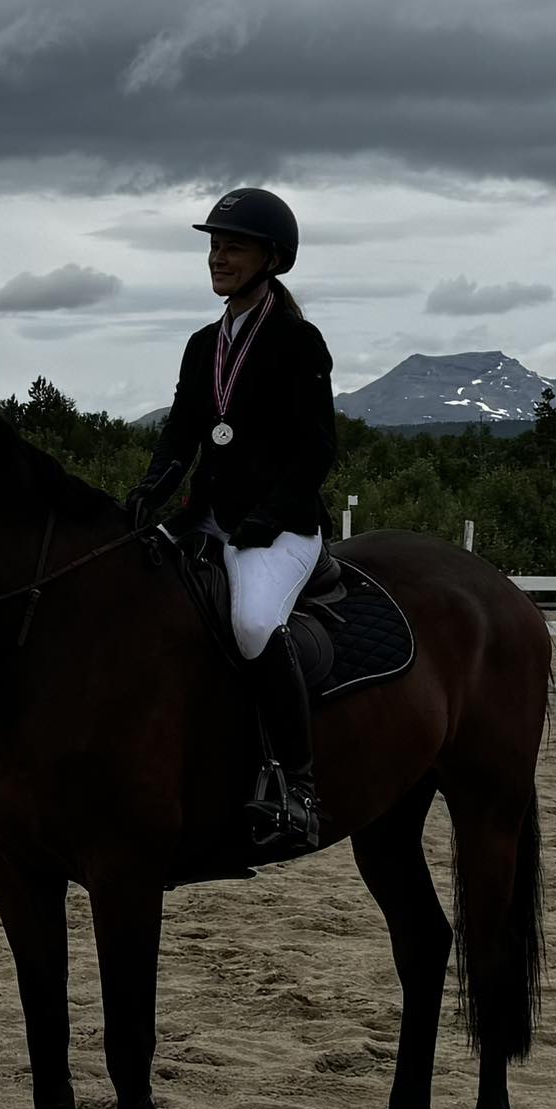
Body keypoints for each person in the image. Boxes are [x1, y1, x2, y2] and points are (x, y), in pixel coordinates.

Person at [127, 186, 339, 854]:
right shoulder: (202, 344)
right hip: (209, 520)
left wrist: (267, 518)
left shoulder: (298, 342)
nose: (218, 257)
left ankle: (297, 787)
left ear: (271, 258)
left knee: (251, 621)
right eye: (214, 246)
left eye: (233, 246)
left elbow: (316, 453)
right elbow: (184, 433)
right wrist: (148, 493)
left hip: (282, 530)